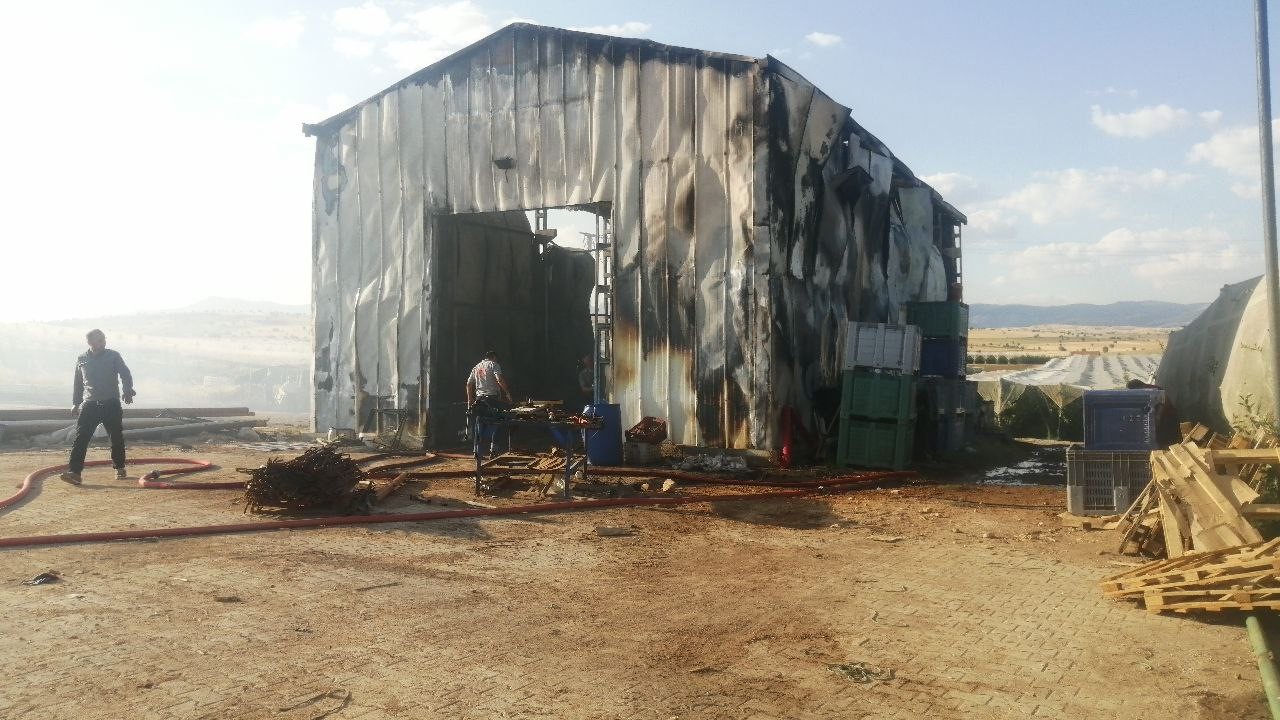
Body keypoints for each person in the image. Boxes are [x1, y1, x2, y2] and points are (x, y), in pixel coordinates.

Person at [60, 329, 135, 485]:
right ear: (90, 343)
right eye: (99, 340)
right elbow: (78, 383)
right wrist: (76, 402)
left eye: (103, 340)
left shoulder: (113, 356)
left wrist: (127, 390)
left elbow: (125, 374)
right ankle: (74, 472)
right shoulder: (82, 359)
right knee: (81, 437)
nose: (103, 343)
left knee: (116, 437)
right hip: (90, 405)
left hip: (111, 404)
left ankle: (119, 467)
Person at [465, 350, 513, 456]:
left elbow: (468, 384)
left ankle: (476, 451)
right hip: (492, 399)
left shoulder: (476, 367)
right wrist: (508, 393)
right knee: (499, 421)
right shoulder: (494, 364)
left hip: (479, 400)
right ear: (494, 357)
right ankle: (494, 450)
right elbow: (499, 379)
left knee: (479, 423)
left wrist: (470, 400)